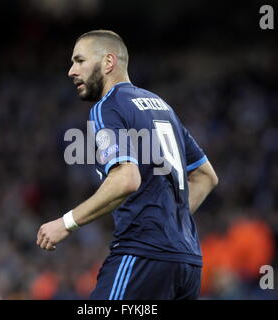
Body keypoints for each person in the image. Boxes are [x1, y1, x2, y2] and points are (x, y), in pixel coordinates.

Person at [36, 30, 218, 300]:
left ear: (108, 62)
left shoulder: (108, 107)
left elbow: (126, 179)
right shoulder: (162, 106)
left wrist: (66, 223)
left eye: (79, 60)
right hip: (187, 262)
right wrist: (167, 223)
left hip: (143, 256)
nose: (71, 71)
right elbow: (206, 177)